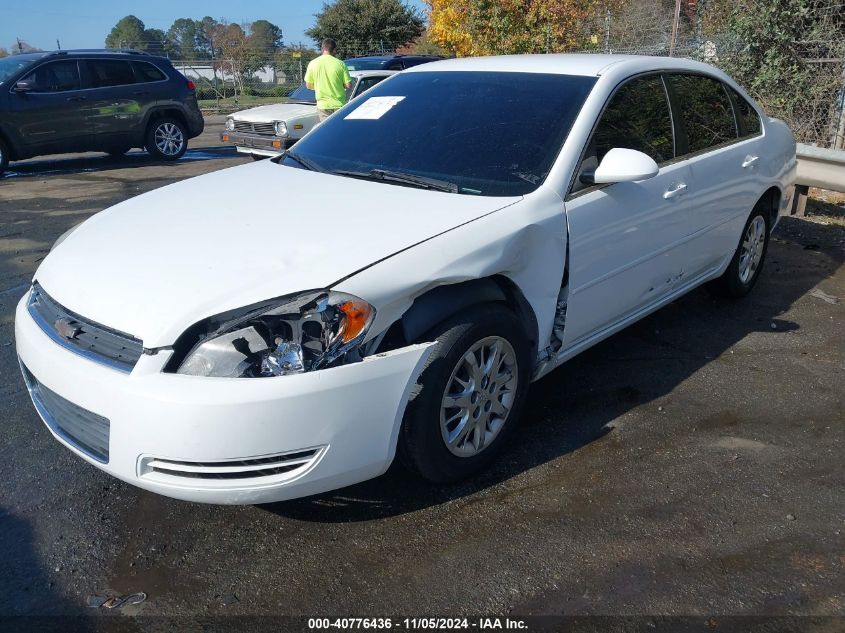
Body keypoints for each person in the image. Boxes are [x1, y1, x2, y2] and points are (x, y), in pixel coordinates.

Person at [304, 38, 352, 122]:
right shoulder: (340, 63)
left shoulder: (312, 63)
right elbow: (348, 85)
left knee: (327, 131)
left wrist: (320, 86)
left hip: (323, 105)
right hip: (339, 104)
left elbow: (308, 85)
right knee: (338, 130)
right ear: (334, 50)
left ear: (322, 49)